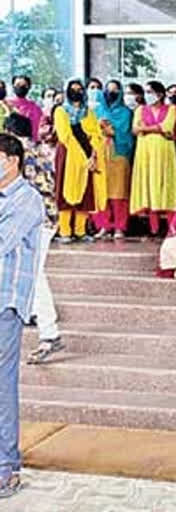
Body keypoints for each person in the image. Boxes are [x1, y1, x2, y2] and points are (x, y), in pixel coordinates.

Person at [0, 133, 44, 499]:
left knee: (2, 385)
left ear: (11, 160)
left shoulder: (27, 199)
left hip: (5, 303)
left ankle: (6, 468)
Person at [2, 115, 61, 366]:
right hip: (47, 217)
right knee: (35, 273)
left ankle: (49, 332)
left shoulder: (19, 155)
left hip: (31, 219)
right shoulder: (38, 150)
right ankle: (47, 328)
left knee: (33, 274)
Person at [54, 79, 108, 243]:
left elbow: (96, 134)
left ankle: (80, 230)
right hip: (68, 155)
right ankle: (64, 232)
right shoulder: (61, 111)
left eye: (79, 89)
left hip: (89, 155)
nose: (76, 92)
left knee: (86, 193)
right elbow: (65, 136)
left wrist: (92, 156)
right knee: (65, 193)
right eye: (73, 89)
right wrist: (82, 159)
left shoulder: (88, 112)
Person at [130, 80, 176, 236]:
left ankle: (171, 228)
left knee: (166, 185)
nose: (147, 95)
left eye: (150, 92)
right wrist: (156, 129)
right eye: (146, 92)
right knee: (149, 185)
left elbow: (167, 127)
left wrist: (146, 128)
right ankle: (153, 228)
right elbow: (135, 129)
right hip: (145, 153)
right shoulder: (140, 109)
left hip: (165, 153)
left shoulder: (171, 109)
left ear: (160, 94)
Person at [91, 80, 135, 240]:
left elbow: (125, 132)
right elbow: (91, 132)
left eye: (115, 90)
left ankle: (119, 227)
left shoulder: (125, 112)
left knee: (119, 193)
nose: (112, 93)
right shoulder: (96, 111)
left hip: (119, 154)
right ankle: (103, 226)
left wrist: (110, 129)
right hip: (100, 154)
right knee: (101, 192)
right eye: (109, 90)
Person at [8, 75, 42, 141]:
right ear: (13, 86)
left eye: (24, 85)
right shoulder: (6, 104)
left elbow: (37, 128)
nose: (21, 87)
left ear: (29, 87)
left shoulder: (35, 108)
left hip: (28, 143)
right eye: (18, 84)